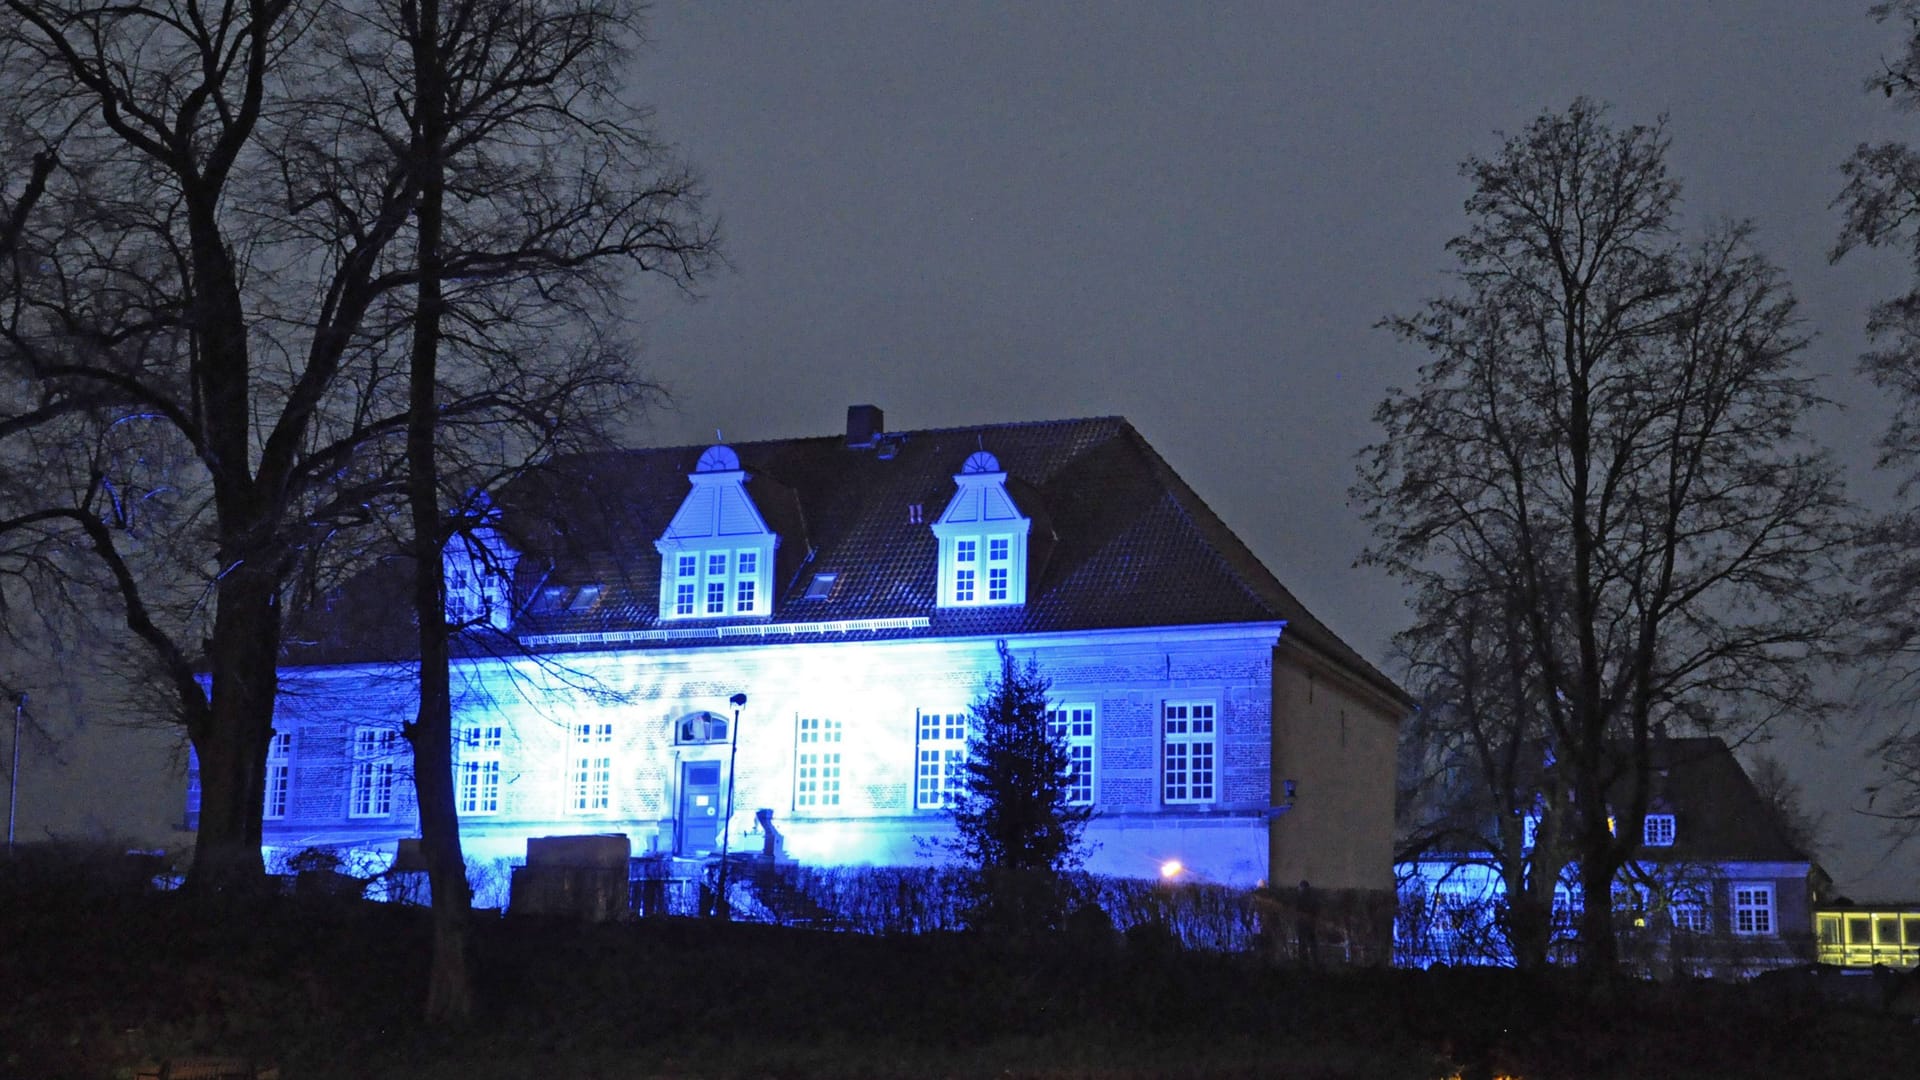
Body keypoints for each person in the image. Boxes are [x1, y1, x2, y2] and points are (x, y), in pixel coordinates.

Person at [1295, 879, 1321, 967]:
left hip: (1304, 925)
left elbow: (1298, 911)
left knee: (1303, 944)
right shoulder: (1311, 898)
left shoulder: (1300, 899)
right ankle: (1313, 962)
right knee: (1311, 944)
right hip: (1309, 925)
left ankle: (1304, 963)